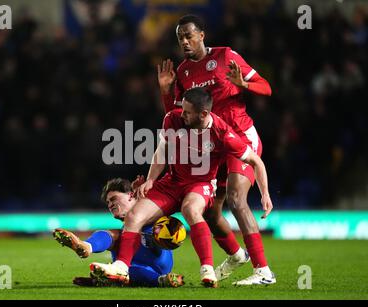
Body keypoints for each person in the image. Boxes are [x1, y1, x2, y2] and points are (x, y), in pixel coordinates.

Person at [90, 88, 273, 288]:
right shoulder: (173, 119)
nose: (182, 114)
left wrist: (265, 194)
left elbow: (256, 161)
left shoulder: (223, 133)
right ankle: (121, 267)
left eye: (187, 111)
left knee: (191, 209)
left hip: (200, 185)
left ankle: (207, 270)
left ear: (203, 114)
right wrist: (151, 179)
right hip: (172, 182)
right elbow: (162, 151)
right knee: (134, 216)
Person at [157, 14, 275, 285]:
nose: (184, 42)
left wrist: (244, 84)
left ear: (202, 35)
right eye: (180, 38)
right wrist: (165, 91)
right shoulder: (184, 71)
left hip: (239, 138)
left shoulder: (225, 56)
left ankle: (263, 272)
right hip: (212, 146)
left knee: (236, 198)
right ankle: (236, 255)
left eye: (189, 35)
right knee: (211, 212)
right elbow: (178, 118)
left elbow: (266, 87)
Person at [53, 177, 185, 288]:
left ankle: (158, 279)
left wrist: (146, 196)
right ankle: (86, 247)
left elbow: (169, 209)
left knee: (118, 236)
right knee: (114, 236)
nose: (110, 205)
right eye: (108, 202)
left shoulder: (152, 213)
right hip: (131, 269)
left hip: (156, 264)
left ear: (131, 195)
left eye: (114, 199)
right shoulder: (125, 230)